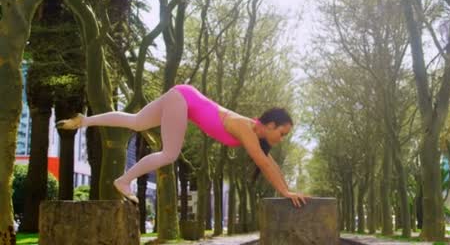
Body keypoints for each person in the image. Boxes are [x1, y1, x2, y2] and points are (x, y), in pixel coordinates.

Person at [56, 84, 307, 207]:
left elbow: (269, 161)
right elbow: (264, 163)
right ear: (271, 125)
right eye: (283, 133)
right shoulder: (246, 128)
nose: (282, 139)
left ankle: (84, 120)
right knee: (170, 153)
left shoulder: (252, 132)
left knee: (136, 123)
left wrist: (288, 189)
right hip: (183, 100)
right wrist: (285, 193)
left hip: (183, 95)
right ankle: (123, 181)